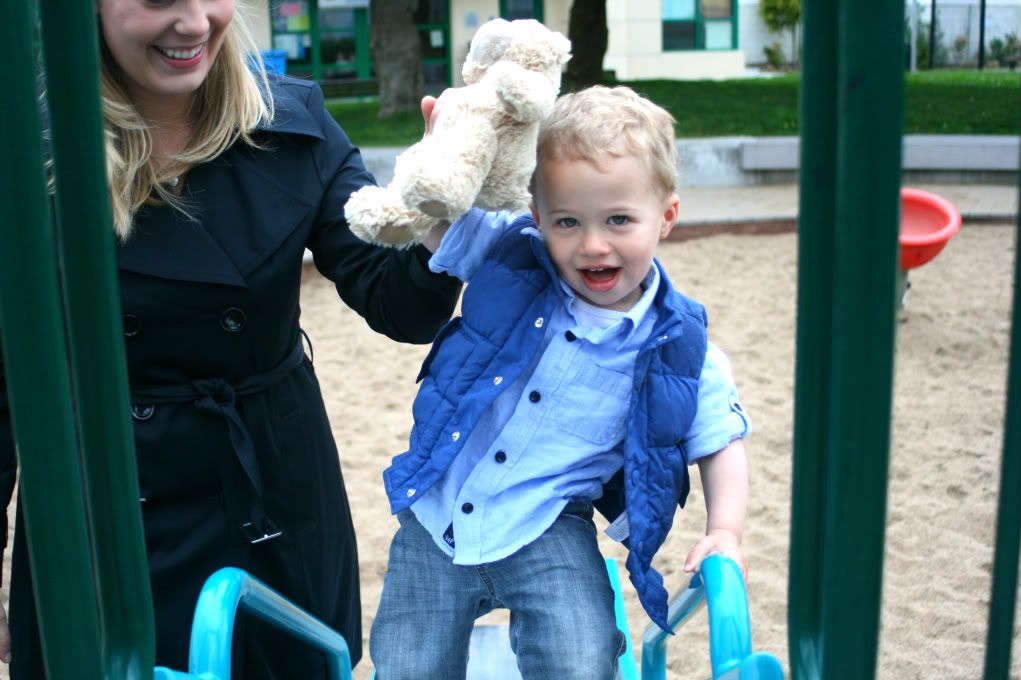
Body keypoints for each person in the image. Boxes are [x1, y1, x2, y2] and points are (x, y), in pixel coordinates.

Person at [0, 0, 461, 677]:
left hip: (269, 481)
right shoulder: (32, 152)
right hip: (106, 498)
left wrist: (436, 221)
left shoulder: (290, 127)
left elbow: (397, 304)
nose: (191, 23)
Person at [369, 85, 751, 679]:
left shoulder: (679, 347)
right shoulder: (512, 255)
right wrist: (442, 156)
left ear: (666, 217)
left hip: (550, 525)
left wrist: (724, 531)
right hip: (437, 514)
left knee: (583, 655)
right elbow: (441, 226)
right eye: (567, 221)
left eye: (619, 220)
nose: (593, 244)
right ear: (537, 216)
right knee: (407, 663)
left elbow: (720, 439)